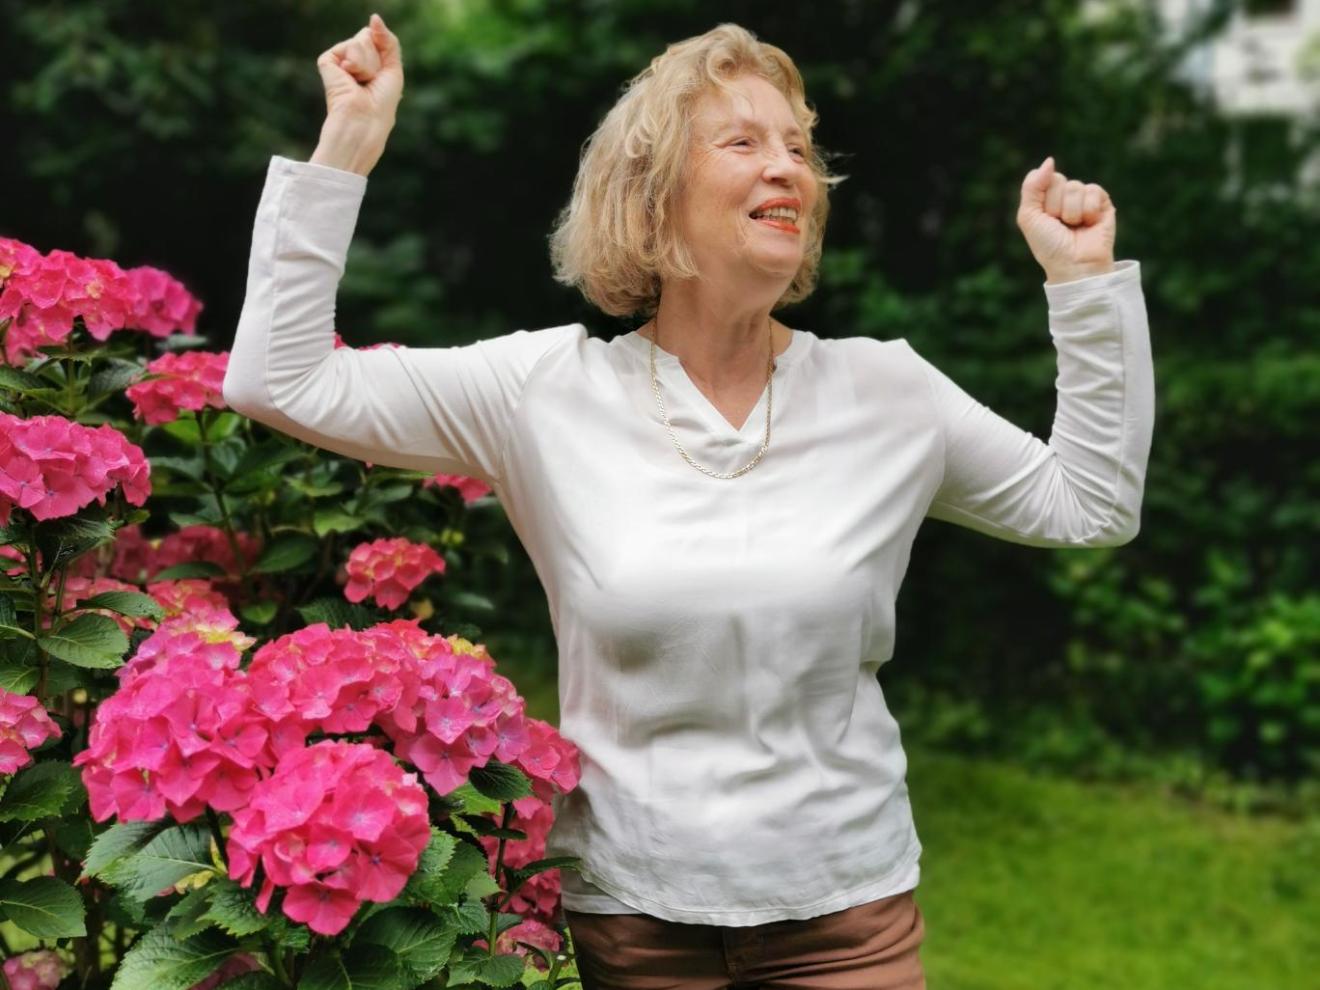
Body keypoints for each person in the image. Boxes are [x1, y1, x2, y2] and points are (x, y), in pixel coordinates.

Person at [222, 13, 1154, 990]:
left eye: (798, 147)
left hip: (848, 920)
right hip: (633, 923)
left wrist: (1084, 288)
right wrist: (348, 146)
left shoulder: (890, 392)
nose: (787, 166)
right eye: (743, 141)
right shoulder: (543, 392)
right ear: (654, 196)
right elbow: (280, 383)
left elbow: (1087, 502)